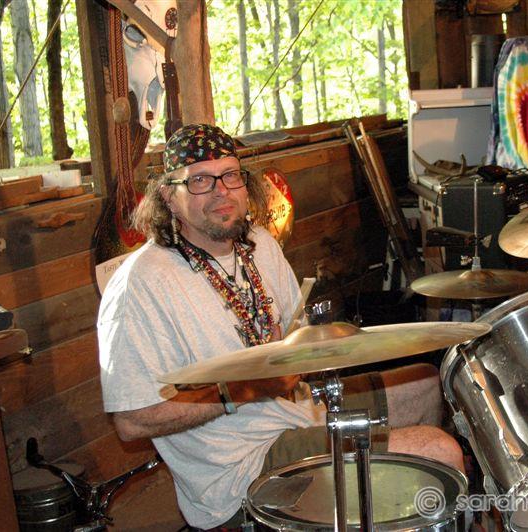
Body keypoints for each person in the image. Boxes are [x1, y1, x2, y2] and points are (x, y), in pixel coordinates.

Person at [97, 123, 464, 530]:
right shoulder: (141, 285)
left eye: (230, 175)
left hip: (298, 412)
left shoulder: (259, 243)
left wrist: (313, 346)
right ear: (169, 196)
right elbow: (132, 421)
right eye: (200, 181)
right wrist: (246, 389)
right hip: (241, 466)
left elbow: (294, 339)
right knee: (439, 451)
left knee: (425, 383)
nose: (221, 191)